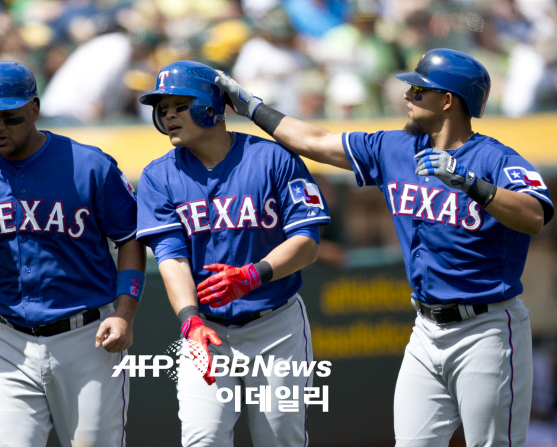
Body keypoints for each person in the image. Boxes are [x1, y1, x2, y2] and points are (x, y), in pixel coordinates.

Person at [215, 48, 554, 447]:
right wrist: (253, 108)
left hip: (488, 328)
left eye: (418, 90)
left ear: (448, 101)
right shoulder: (395, 148)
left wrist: (470, 184)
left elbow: (533, 215)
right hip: (425, 329)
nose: (407, 97)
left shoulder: (495, 158)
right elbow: (317, 141)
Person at [0, 61, 146, 447]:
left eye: (9, 117)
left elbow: (131, 238)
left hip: (87, 336)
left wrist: (124, 312)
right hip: (9, 340)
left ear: (33, 109)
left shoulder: (88, 165)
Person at [135, 60, 331, 447]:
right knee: (202, 438)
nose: (169, 115)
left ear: (210, 105)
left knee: (280, 440)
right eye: (162, 109)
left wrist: (252, 275)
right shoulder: (159, 175)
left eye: (179, 104)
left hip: (275, 324)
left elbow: (308, 241)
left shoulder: (271, 158)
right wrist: (189, 319)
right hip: (206, 329)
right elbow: (170, 257)